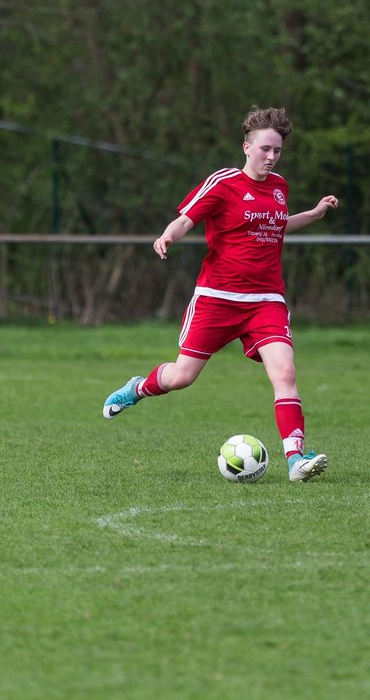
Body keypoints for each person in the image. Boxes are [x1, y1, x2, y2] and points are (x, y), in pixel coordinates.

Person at [102, 106, 338, 482]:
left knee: (285, 372)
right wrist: (167, 236)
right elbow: (186, 219)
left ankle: (295, 461)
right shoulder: (224, 183)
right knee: (181, 377)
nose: (272, 157)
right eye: (265, 149)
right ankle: (137, 388)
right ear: (247, 147)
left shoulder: (279, 187)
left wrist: (312, 214)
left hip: (266, 300)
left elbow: (275, 227)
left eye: (277, 151)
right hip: (217, 298)